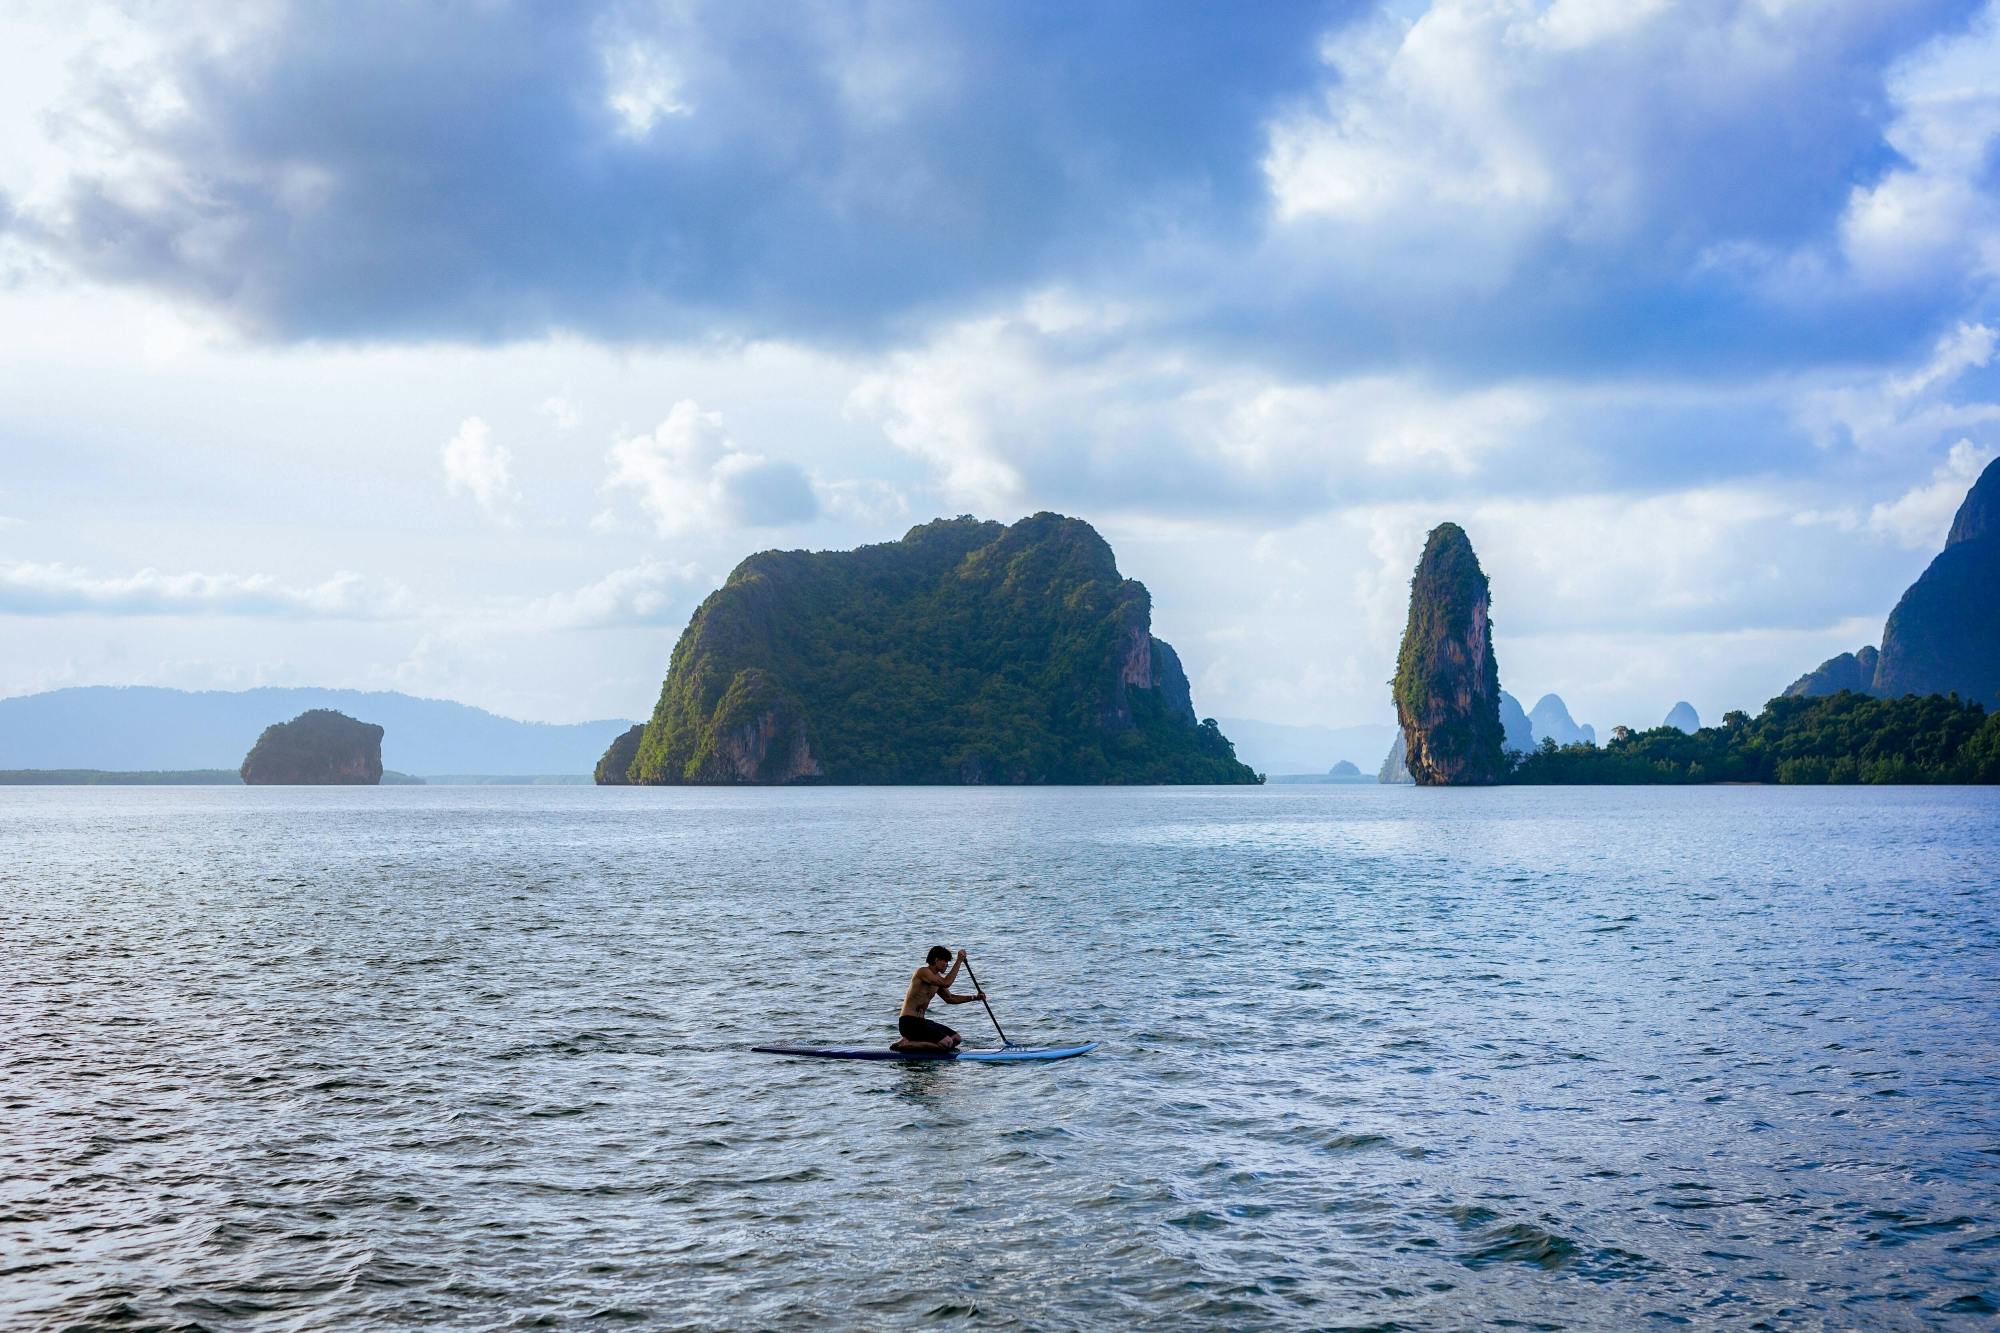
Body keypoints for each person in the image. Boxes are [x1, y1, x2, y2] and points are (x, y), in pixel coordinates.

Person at [892, 945, 984, 1052]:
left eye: (948, 962)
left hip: (921, 1022)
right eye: (945, 961)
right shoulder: (922, 972)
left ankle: (913, 1041)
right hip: (909, 1023)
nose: (946, 965)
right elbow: (947, 983)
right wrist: (959, 961)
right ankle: (906, 1044)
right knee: (947, 1043)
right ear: (936, 960)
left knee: (956, 1039)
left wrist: (974, 997)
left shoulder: (936, 980)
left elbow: (950, 998)